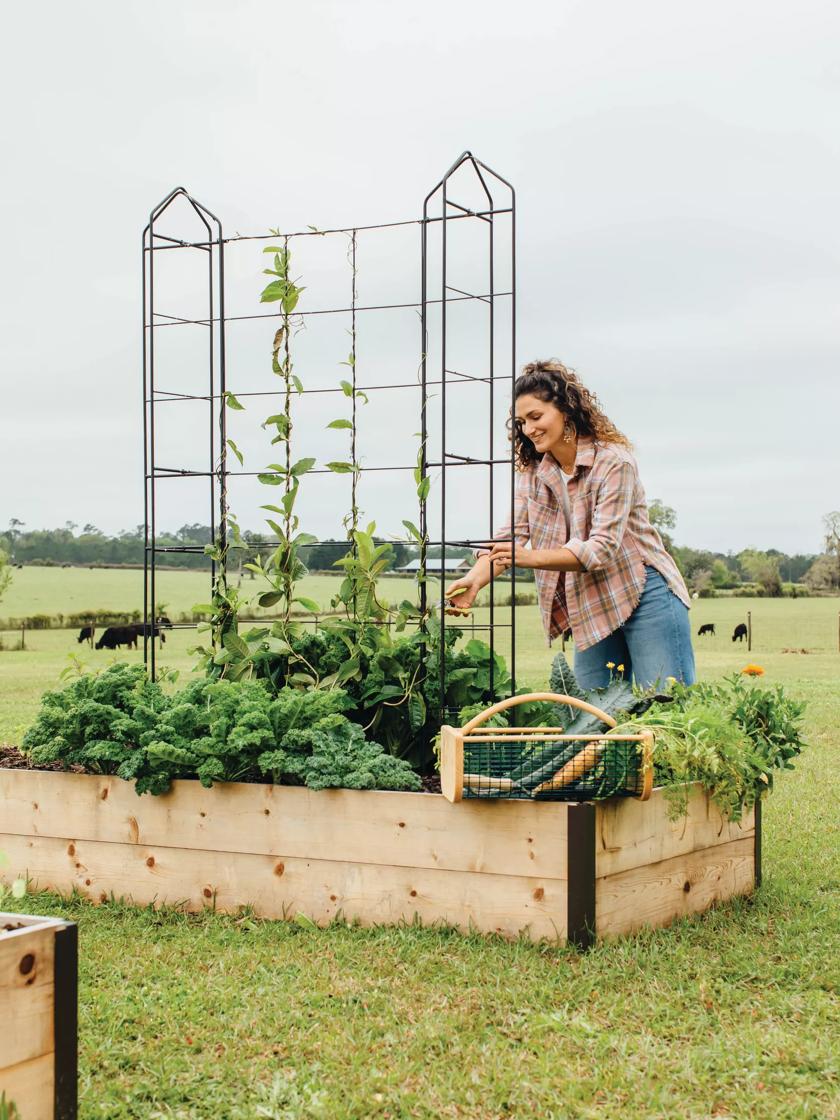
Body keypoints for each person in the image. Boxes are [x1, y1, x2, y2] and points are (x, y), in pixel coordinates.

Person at [444, 360, 695, 690]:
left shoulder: (613, 462)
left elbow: (601, 549)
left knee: (666, 706)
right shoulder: (534, 472)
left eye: (536, 417)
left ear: (566, 410)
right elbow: (510, 538)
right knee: (589, 716)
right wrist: (474, 580)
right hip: (592, 599)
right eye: (521, 422)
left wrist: (529, 557)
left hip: (643, 589)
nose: (529, 429)